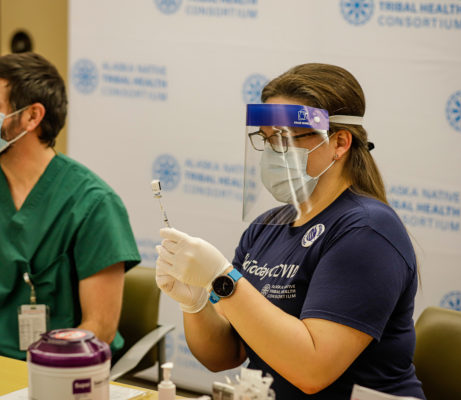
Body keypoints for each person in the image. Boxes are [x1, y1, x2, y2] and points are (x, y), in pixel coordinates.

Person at [155, 63, 425, 399]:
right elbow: (224, 356)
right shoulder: (267, 226)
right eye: (266, 139)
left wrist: (223, 279)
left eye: (283, 139)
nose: (272, 152)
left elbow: (312, 370)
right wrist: (195, 303)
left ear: (339, 142)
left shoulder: (367, 232)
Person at [0, 52, 141, 360]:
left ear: (32, 117)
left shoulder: (93, 204)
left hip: (62, 374)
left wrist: (45, 380)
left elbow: (98, 326)